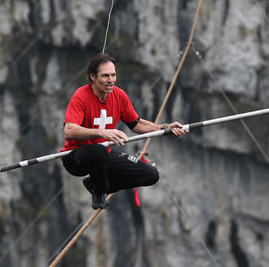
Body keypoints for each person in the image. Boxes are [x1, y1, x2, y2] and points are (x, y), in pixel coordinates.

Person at [61, 53, 188, 210]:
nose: (111, 80)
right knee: (98, 150)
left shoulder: (119, 95)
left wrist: (165, 128)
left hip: (102, 157)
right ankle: (99, 190)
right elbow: (69, 130)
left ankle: (97, 185)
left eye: (113, 75)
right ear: (92, 76)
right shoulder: (81, 96)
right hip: (76, 158)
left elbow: (137, 124)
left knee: (151, 175)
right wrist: (102, 133)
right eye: (105, 76)